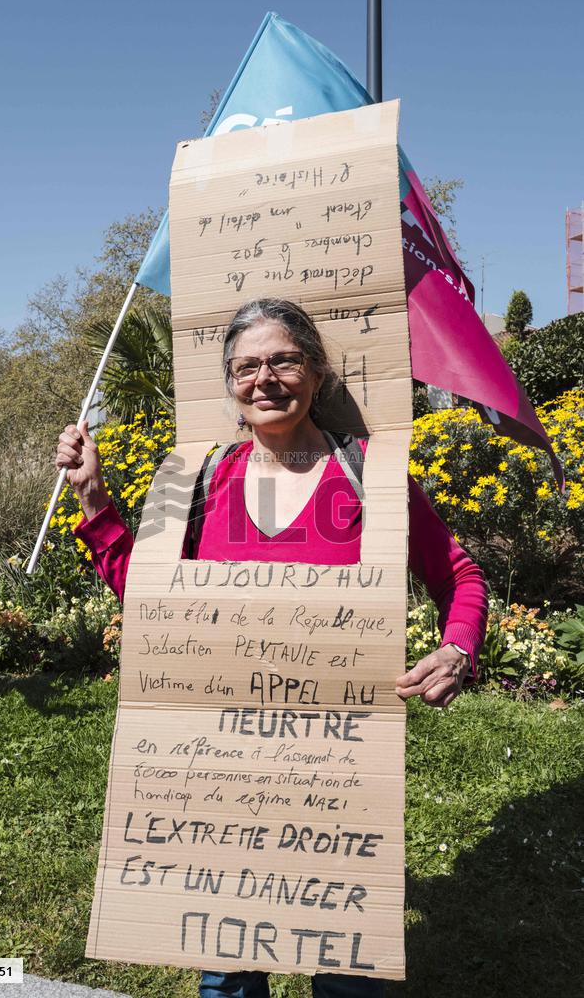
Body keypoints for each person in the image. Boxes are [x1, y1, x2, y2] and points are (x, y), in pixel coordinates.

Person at [56, 298, 488, 998]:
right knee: (226, 973)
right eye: (246, 366)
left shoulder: (370, 475)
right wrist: (94, 501)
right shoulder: (192, 480)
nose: (266, 379)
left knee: (347, 974)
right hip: (221, 759)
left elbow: (459, 574)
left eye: (284, 360)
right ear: (229, 383)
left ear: (316, 373)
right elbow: (150, 599)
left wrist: (457, 650)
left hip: (340, 764)